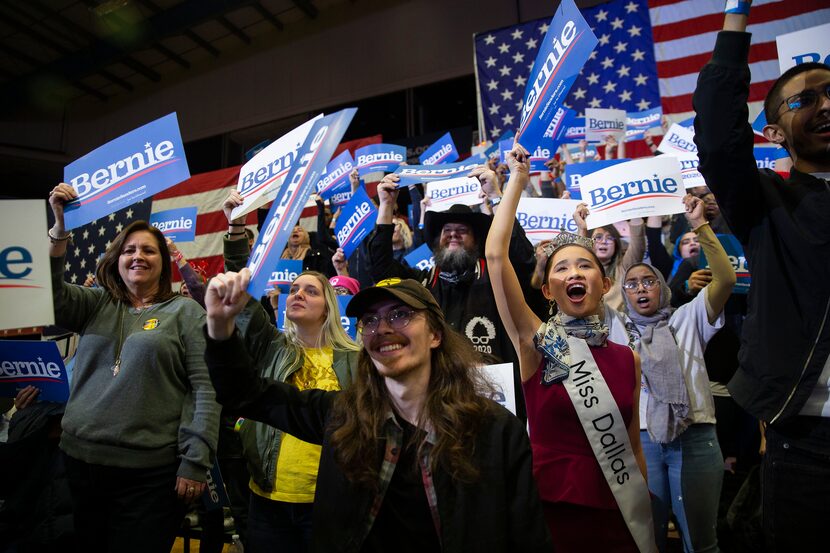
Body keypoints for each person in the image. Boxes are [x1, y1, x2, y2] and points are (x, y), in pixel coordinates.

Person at [204, 273, 552, 552]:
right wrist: (220, 329)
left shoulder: (494, 429)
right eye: (370, 320)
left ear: (434, 334)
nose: (382, 328)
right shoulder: (343, 417)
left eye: (400, 315)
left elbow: (527, 538)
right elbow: (246, 394)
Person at [693, 3, 830, 550]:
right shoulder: (766, 201)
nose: (826, 105)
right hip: (808, 440)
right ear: (774, 131)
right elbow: (722, 139)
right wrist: (735, 15)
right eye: (807, 100)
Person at [486, 144, 655, 553]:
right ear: (547, 289)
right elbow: (495, 255)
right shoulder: (536, 342)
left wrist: (644, 510)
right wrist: (517, 183)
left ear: (606, 284)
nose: (574, 272)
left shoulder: (627, 359)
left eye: (585, 265)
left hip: (619, 508)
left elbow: (632, 446)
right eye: (561, 267)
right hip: (552, 508)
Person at [46, 183, 219, 553]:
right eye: (129, 249)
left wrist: (195, 460)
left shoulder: (186, 312)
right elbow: (50, 294)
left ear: (162, 261)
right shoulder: (96, 302)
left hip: (149, 476)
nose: (137, 256)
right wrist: (60, 229)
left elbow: (205, 389)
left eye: (148, 250)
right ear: (116, 259)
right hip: (79, 463)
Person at [222, 191, 360, 553]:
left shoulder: (356, 357)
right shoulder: (272, 345)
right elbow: (244, 297)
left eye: (310, 291)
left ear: (328, 307)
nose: (297, 294)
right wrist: (236, 227)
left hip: (332, 498)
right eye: (294, 288)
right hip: (268, 498)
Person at [617, 195, 736, 553]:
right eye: (633, 284)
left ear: (664, 287)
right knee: (647, 542)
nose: (640, 288)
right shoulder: (619, 329)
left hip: (696, 438)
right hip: (644, 443)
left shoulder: (687, 317)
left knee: (700, 543)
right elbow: (623, 271)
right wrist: (636, 227)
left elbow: (726, 279)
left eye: (649, 282)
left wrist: (700, 225)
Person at [367, 169, 536, 417]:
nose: (453, 234)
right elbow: (381, 269)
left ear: (476, 241)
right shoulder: (422, 283)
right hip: (438, 399)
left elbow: (523, 260)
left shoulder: (496, 278)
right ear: (438, 240)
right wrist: (386, 206)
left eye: (462, 230)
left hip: (501, 404)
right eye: (447, 230)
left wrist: (496, 195)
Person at [573, 205, 646, 312]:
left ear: (616, 245)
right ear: (588, 242)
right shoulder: (580, 270)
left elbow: (638, 245)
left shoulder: (623, 268)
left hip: (617, 325)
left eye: (610, 238)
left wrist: (635, 207)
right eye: (598, 237)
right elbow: (577, 257)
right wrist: (582, 229)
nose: (604, 241)